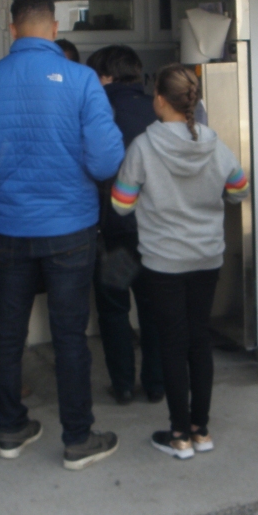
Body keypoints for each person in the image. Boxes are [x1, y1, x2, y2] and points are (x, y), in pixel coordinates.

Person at [0, 0, 125, 471]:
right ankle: (77, 439)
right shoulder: (81, 81)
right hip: (71, 228)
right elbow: (105, 161)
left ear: (12, 30)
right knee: (70, 335)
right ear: (53, 28)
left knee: (8, 333)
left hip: (9, 229)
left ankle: (11, 431)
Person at [111, 64, 249, 458]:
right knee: (199, 340)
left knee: (172, 343)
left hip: (163, 261)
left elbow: (121, 205)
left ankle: (178, 435)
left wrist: (148, 199)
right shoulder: (214, 143)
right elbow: (239, 190)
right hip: (207, 257)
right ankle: (201, 430)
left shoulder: (143, 145)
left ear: (159, 98)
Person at [85, 45, 163, 405]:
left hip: (116, 228)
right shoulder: (161, 109)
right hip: (158, 229)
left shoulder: (97, 111)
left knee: (115, 309)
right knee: (153, 307)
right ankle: (156, 383)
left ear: (105, 77)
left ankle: (123, 385)